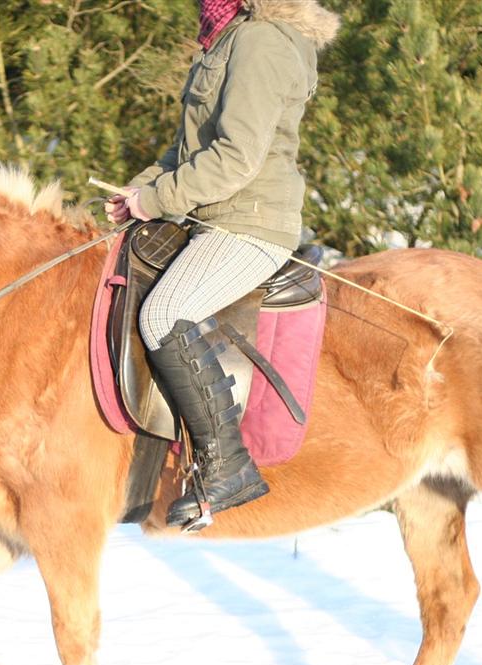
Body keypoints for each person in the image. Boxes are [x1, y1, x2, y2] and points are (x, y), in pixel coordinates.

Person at [105, 0, 339, 529]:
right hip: (212, 215)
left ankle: (227, 467)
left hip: (249, 224)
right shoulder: (229, 36)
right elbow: (185, 152)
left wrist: (160, 199)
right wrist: (141, 191)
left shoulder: (261, 41)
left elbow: (236, 157)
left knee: (163, 314)